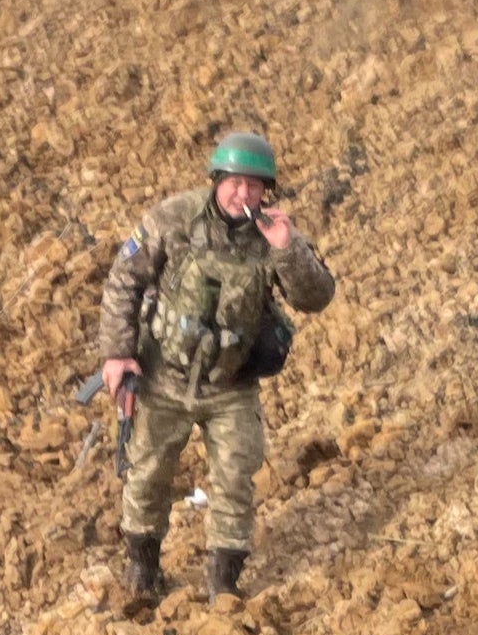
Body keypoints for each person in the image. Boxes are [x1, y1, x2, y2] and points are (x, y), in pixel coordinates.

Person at [93, 127, 336, 609]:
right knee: (147, 473)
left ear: (267, 190)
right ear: (215, 180)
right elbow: (125, 280)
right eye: (232, 182)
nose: (241, 193)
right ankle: (142, 573)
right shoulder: (174, 218)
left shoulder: (275, 234)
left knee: (235, 478)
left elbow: (316, 297)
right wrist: (119, 353)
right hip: (164, 375)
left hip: (231, 384)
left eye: (253, 184)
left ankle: (223, 583)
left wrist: (288, 249)